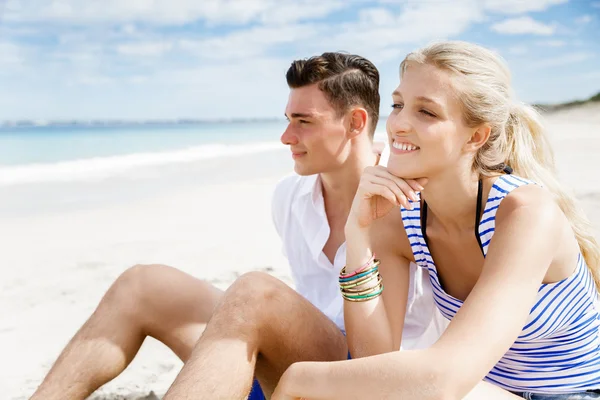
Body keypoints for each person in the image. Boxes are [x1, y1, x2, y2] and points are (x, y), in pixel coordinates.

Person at [30, 52, 441, 400]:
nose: (285, 136)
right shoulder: (289, 197)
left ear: (354, 123)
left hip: (368, 376)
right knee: (143, 283)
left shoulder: (409, 195)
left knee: (255, 292)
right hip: (293, 365)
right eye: (286, 119)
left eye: (303, 121)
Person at [271, 41, 600, 400]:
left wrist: (302, 379)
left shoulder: (524, 213)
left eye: (426, 112)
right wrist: (359, 233)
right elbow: (375, 356)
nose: (398, 125)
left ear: (475, 136)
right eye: (397, 106)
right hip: (486, 390)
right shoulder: (402, 216)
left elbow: (444, 379)